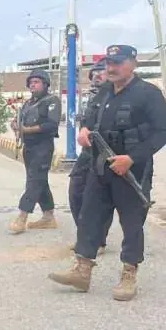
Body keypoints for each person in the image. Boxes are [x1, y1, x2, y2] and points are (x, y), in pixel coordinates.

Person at [48, 45, 166, 301]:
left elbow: (163, 131)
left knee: (131, 223)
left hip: (132, 169)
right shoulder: (103, 92)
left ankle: (129, 273)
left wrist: (132, 158)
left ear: (133, 63)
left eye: (118, 62)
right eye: (109, 63)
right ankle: (82, 270)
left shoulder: (148, 93)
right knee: (89, 217)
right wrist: (83, 131)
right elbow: (88, 120)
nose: (111, 68)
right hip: (100, 166)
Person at [9, 70, 62, 234]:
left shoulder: (52, 101)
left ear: (45, 84)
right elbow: (21, 121)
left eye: (37, 81)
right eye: (31, 82)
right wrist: (16, 125)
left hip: (43, 147)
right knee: (40, 181)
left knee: (33, 182)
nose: (33, 84)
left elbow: (51, 125)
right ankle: (48, 217)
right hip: (29, 147)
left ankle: (22, 216)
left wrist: (26, 129)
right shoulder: (28, 103)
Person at [68, 61, 113, 254]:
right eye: (93, 73)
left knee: (102, 199)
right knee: (76, 192)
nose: (97, 75)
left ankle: (98, 240)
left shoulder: (117, 96)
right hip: (87, 154)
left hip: (108, 154)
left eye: (101, 72)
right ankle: (86, 237)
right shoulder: (92, 99)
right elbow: (85, 123)